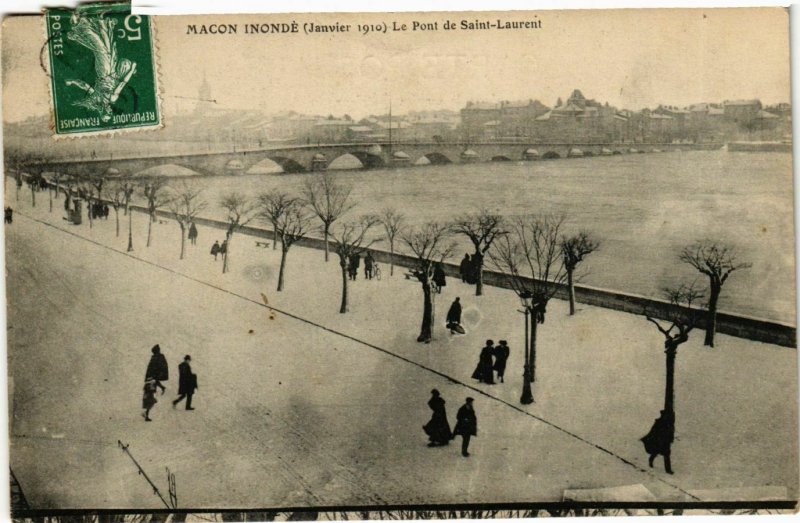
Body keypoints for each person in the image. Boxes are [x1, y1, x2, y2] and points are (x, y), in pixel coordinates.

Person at [641, 410, 675, 474]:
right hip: (659, 440)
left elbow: (671, 431)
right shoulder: (659, 422)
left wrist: (671, 438)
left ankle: (668, 470)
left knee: (666, 454)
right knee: (656, 452)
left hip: (665, 441)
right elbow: (653, 431)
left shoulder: (669, 423)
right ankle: (651, 460)